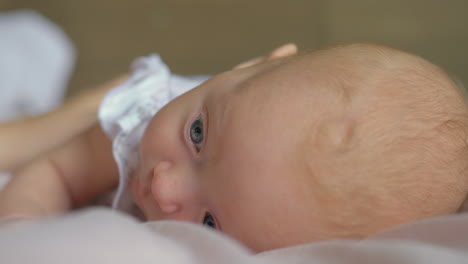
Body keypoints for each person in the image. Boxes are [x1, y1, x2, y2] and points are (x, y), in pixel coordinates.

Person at [0, 43, 467, 253]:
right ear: (253, 65)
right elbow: (57, 171)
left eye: (210, 222)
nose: (163, 185)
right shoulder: (140, 126)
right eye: (197, 134)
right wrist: (21, 228)